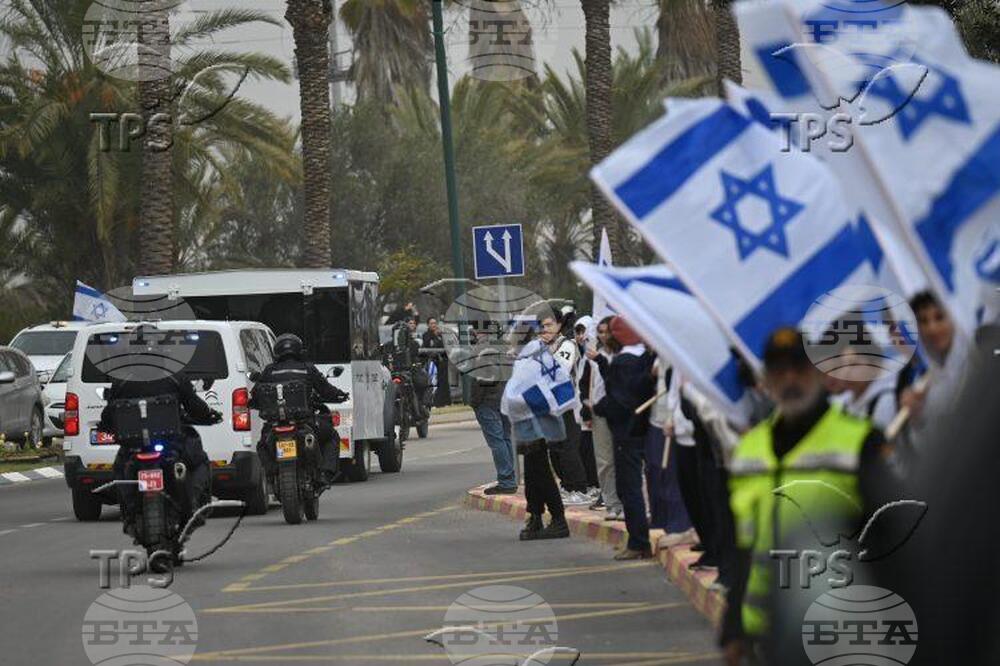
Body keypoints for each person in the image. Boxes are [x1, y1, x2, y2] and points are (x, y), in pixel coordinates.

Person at [721, 327, 895, 665]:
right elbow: (742, 549)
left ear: (817, 372)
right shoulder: (749, 450)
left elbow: (890, 542)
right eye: (779, 371)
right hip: (764, 634)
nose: (790, 379)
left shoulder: (861, 441)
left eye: (799, 368)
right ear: (767, 380)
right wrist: (733, 626)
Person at [101, 371, 220, 538]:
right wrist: (208, 415)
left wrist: (106, 425)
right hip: (170, 442)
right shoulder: (174, 376)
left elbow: (108, 414)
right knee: (200, 460)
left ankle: (129, 514)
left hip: (136, 445)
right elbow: (194, 405)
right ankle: (193, 506)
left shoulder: (123, 379)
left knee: (120, 468)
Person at [591, 316, 656, 560]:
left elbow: (619, 400)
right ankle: (639, 540)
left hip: (626, 433)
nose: (605, 338)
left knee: (629, 488)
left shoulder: (623, 362)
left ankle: (638, 542)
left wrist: (599, 408)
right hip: (643, 430)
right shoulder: (644, 358)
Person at [254, 334, 349, 485]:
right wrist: (340, 395)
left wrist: (251, 402)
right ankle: (325, 473)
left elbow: (255, 396)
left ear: (276, 352)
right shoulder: (307, 368)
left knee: (261, 444)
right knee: (331, 436)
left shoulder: (268, 371)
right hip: (305, 423)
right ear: (299, 350)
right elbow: (326, 389)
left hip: (274, 425)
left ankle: (271, 474)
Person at [539, 311, 591, 506]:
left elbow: (559, 370)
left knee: (568, 447)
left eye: (549, 325)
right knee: (555, 449)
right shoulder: (542, 347)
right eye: (541, 326)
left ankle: (578, 487)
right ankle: (566, 485)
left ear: (559, 325)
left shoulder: (566, 345)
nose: (544, 330)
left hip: (567, 404)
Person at [469, 337, 516, 495]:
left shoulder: (482, 350)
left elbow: (481, 380)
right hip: (504, 399)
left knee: (497, 442)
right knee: (505, 439)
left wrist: (475, 401)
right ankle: (510, 477)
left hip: (488, 400)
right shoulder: (504, 347)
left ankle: (506, 480)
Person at [422, 317, 452, 407]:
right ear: (428, 325)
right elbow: (429, 346)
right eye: (431, 323)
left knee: (444, 381)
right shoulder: (426, 335)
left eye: (435, 323)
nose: (434, 325)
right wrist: (434, 336)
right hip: (433, 362)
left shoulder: (441, 334)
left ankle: (446, 401)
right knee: (434, 382)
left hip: (442, 361)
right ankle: (435, 401)